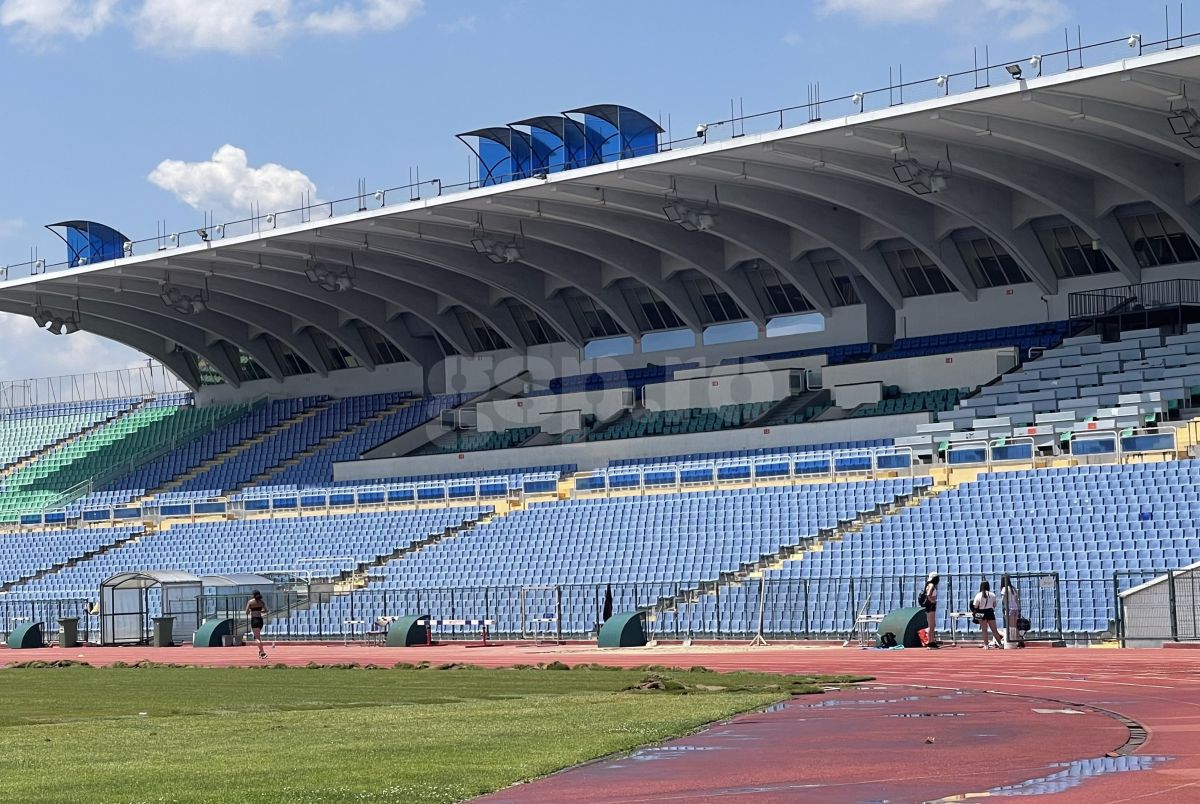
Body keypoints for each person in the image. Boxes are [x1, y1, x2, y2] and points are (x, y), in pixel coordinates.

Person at [971, 580, 1003, 649]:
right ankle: (1000, 644)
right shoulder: (992, 594)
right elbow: (994, 605)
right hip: (990, 612)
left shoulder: (979, 595)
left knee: (984, 630)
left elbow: (975, 605)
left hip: (981, 612)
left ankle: (986, 645)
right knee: (994, 630)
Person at [1000, 574, 1024, 649]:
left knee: (1009, 625)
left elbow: (1003, 599)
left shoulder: (1004, 589)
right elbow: (1017, 600)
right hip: (1015, 607)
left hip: (1009, 608)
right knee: (1015, 625)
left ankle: (1012, 640)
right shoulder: (1014, 588)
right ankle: (1019, 639)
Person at [245, 590, 268, 659]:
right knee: (258, 637)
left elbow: (246, 612)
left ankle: (263, 652)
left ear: (253, 595)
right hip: (260, 620)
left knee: (256, 638)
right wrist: (260, 611)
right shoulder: (261, 602)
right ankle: (260, 652)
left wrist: (251, 610)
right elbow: (266, 610)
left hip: (254, 620)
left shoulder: (250, 602)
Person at [921, 572, 941, 649]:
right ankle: (930, 642)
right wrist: (932, 601)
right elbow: (928, 594)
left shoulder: (930, 585)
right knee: (931, 625)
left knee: (933, 625)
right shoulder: (931, 585)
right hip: (930, 605)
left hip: (931, 606)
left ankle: (932, 641)